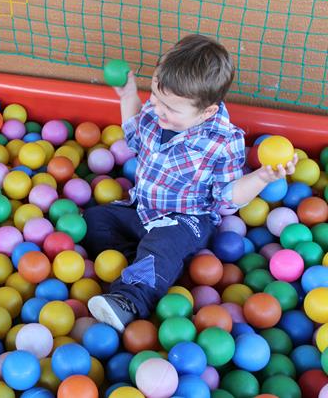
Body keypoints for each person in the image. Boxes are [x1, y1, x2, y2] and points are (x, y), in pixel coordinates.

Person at [85, 34, 297, 332]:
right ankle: (149, 267)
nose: (157, 109)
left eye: (170, 108)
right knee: (94, 221)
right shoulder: (158, 112)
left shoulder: (222, 142)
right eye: (155, 96)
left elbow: (227, 197)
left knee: (163, 244)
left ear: (207, 111)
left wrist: (262, 176)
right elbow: (134, 135)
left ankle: (129, 300)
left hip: (184, 221)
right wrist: (128, 95)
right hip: (142, 209)